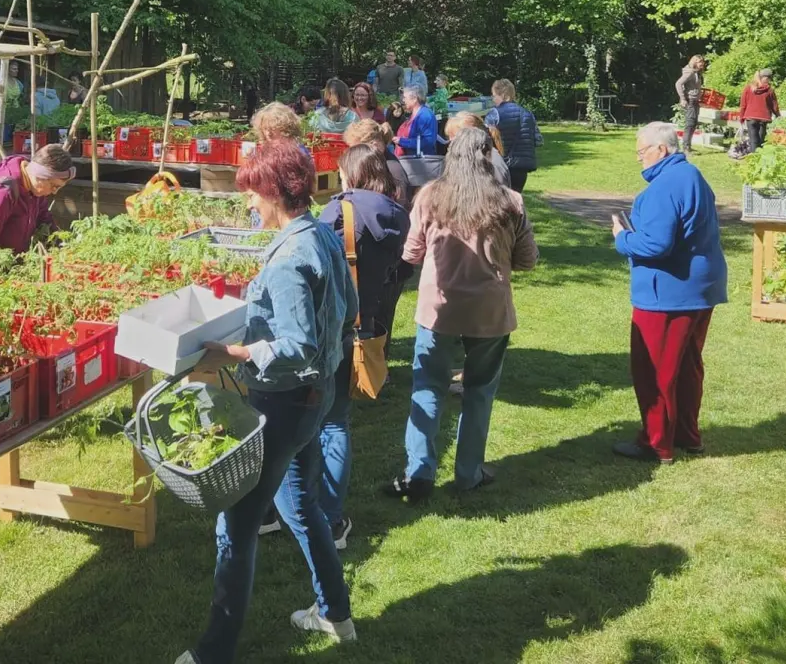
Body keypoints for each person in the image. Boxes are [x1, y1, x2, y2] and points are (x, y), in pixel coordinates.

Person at [180, 142, 358, 664]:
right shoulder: (321, 234)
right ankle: (336, 615)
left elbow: (297, 344)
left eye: (252, 193)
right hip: (315, 398)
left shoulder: (287, 259)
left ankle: (213, 653)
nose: (249, 203)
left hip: (283, 404)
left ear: (275, 192)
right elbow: (347, 308)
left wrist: (234, 351)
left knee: (235, 527)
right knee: (300, 505)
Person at [387, 130, 539, 501]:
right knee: (479, 392)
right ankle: (468, 473)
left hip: (438, 308)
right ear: (487, 155)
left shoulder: (429, 197)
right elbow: (527, 259)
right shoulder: (510, 201)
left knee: (428, 388)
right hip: (489, 311)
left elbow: (411, 253)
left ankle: (418, 473)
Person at [610, 122, 727, 464]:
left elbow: (656, 245)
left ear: (661, 150)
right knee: (688, 364)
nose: (639, 159)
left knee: (655, 370)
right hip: (701, 288)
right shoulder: (693, 175)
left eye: (641, 151)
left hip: (668, 293)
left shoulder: (662, 187)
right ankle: (687, 435)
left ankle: (656, 443)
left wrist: (622, 238)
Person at [314, 145, 411, 547]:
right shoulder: (397, 214)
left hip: (330, 328)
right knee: (338, 421)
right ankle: (332, 519)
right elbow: (403, 268)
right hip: (366, 324)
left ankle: (307, 512)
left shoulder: (338, 213)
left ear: (349, 174)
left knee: (314, 423)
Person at [0, 144, 73, 254]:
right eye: (54, 185)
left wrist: (62, 246)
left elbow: (45, 221)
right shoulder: (2, 192)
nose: (54, 191)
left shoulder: (35, 191)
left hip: (10, 262)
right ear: (39, 176)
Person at [484, 79, 544, 192]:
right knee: (516, 198)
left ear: (502, 95)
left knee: (500, 199)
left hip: (501, 166)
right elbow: (538, 140)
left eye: (494, 95)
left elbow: (484, 141)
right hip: (522, 168)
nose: (493, 99)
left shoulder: (494, 114)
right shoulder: (527, 114)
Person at [343, 119, 409, 207]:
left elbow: (397, 207)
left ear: (374, 145)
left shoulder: (392, 170)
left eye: (357, 150)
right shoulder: (377, 164)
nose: (354, 156)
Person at [446, 112, 509, 185]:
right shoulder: (464, 159)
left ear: (474, 134)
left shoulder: (492, 162)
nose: (450, 141)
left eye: (454, 136)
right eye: (449, 136)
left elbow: (498, 190)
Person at [738, 68, 779, 154]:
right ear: (766, 78)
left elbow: (743, 105)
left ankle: (753, 159)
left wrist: (741, 118)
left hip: (750, 118)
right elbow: (774, 106)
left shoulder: (748, 88)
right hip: (763, 119)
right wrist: (778, 115)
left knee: (753, 141)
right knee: (760, 142)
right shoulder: (770, 90)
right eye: (769, 79)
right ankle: (758, 158)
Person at [393, 85, 438, 158]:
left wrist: (402, 141)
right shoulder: (414, 114)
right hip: (411, 159)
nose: (403, 100)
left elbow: (428, 142)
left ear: (414, 99)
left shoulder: (425, 115)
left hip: (421, 161)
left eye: (405, 97)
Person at [674, 55, 707, 155]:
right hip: (690, 101)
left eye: (702, 62)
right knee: (690, 123)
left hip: (695, 100)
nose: (702, 64)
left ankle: (689, 146)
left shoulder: (697, 73)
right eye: (700, 62)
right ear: (695, 62)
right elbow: (678, 84)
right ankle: (686, 148)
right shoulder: (690, 72)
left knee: (694, 123)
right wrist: (683, 98)